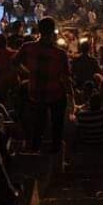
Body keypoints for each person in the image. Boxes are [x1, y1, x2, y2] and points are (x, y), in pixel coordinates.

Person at [14, 16, 72, 153]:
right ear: (53, 31)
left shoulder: (27, 47)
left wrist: (29, 74)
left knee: (38, 124)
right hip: (55, 94)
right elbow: (66, 78)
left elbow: (15, 63)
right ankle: (56, 150)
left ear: (39, 30)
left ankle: (35, 150)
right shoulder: (60, 54)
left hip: (35, 93)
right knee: (57, 124)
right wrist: (71, 96)